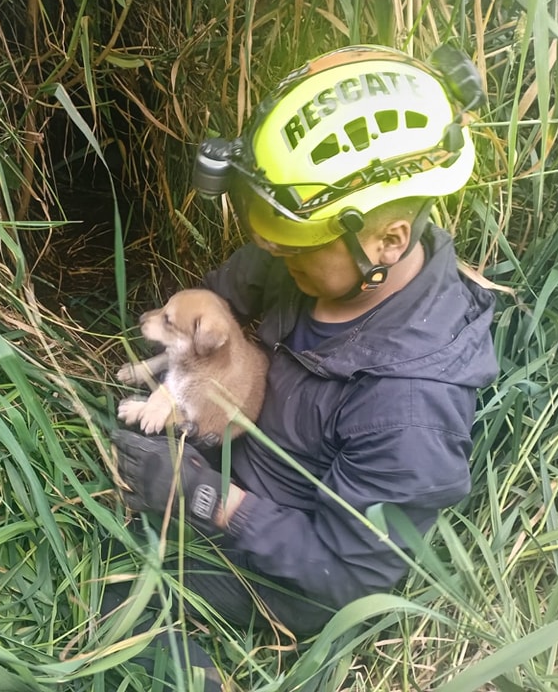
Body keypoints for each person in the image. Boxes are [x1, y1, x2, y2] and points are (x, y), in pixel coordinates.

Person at [108, 44, 499, 690]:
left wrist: (204, 497)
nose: (273, 257)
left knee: (122, 597)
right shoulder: (321, 253)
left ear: (388, 240)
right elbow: (226, 292)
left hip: (290, 562)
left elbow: (346, 570)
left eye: (290, 250)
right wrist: (198, 342)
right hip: (240, 449)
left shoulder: (409, 407)